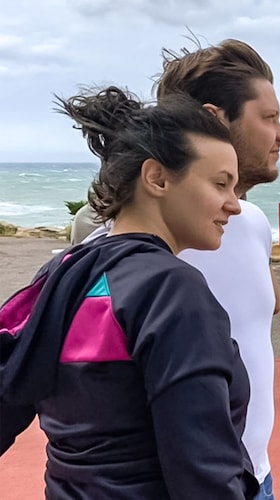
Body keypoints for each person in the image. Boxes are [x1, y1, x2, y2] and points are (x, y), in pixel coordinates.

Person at [0, 86, 258, 498]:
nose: (234, 205)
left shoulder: (63, 272)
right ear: (157, 178)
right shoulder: (172, 290)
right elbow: (202, 470)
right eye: (220, 184)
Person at [156, 38, 280, 500]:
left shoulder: (251, 222)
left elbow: (266, 307)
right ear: (215, 120)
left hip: (256, 475)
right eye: (268, 118)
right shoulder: (129, 241)